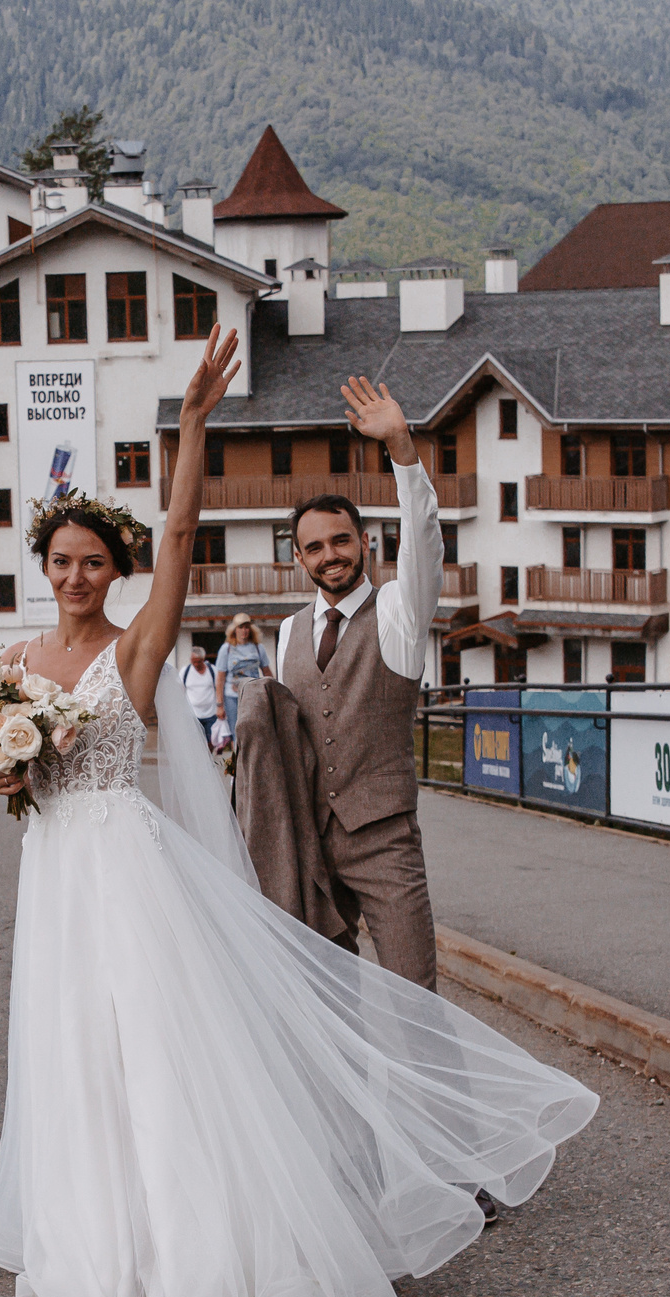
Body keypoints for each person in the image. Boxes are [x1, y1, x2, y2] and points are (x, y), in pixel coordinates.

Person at [0, 327, 596, 1297]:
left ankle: (432, 1171)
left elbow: (182, 536)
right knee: (82, 1051)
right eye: (61, 561)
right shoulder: (241, 638)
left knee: (381, 1016)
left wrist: (208, 426)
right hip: (103, 868)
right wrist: (7, 767)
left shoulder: (356, 617)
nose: (76, 575)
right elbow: (26, 765)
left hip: (281, 853)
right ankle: (119, 1229)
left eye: (91, 561)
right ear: (42, 567)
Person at [258, 377, 446, 990]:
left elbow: (423, 541)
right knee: (329, 1009)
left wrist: (401, 449)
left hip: (385, 841)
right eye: (314, 547)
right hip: (311, 847)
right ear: (299, 559)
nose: (330, 554)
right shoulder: (287, 634)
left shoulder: (399, 611)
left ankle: (428, 1090)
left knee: (418, 1001)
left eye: (341, 540)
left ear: (364, 543)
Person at [215, 614, 273, 738]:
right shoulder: (227, 649)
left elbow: (267, 672)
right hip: (232, 697)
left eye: (247, 627)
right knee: (237, 733)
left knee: (255, 732)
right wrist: (219, 704)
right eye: (240, 627)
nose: (244, 631)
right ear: (235, 629)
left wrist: (273, 694)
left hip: (254, 695)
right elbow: (220, 678)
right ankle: (237, 756)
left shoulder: (258, 648)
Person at [180, 646, 222, 747]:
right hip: (193, 714)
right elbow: (180, 691)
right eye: (193, 661)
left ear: (203, 659)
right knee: (195, 742)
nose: (196, 664)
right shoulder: (185, 672)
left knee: (211, 740)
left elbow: (219, 688)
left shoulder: (212, 670)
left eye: (198, 662)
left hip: (211, 713)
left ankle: (209, 759)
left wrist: (220, 706)